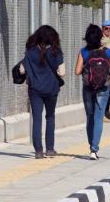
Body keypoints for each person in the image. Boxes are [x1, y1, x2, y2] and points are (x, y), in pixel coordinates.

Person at [74, 24, 110, 160]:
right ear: (100, 37)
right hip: (103, 89)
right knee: (99, 118)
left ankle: (90, 145)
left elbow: (77, 72)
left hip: (88, 88)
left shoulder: (83, 52)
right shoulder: (108, 52)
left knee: (90, 117)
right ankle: (94, 149)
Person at [21, 25, 65, 159]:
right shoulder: (56, 51)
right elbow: (62, 73)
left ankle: (38, 151)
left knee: (37, 118)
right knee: (50, 117)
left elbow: (22, 70)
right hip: (51, 89)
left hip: (35, 90)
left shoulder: (30, 51)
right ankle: (50, 149)